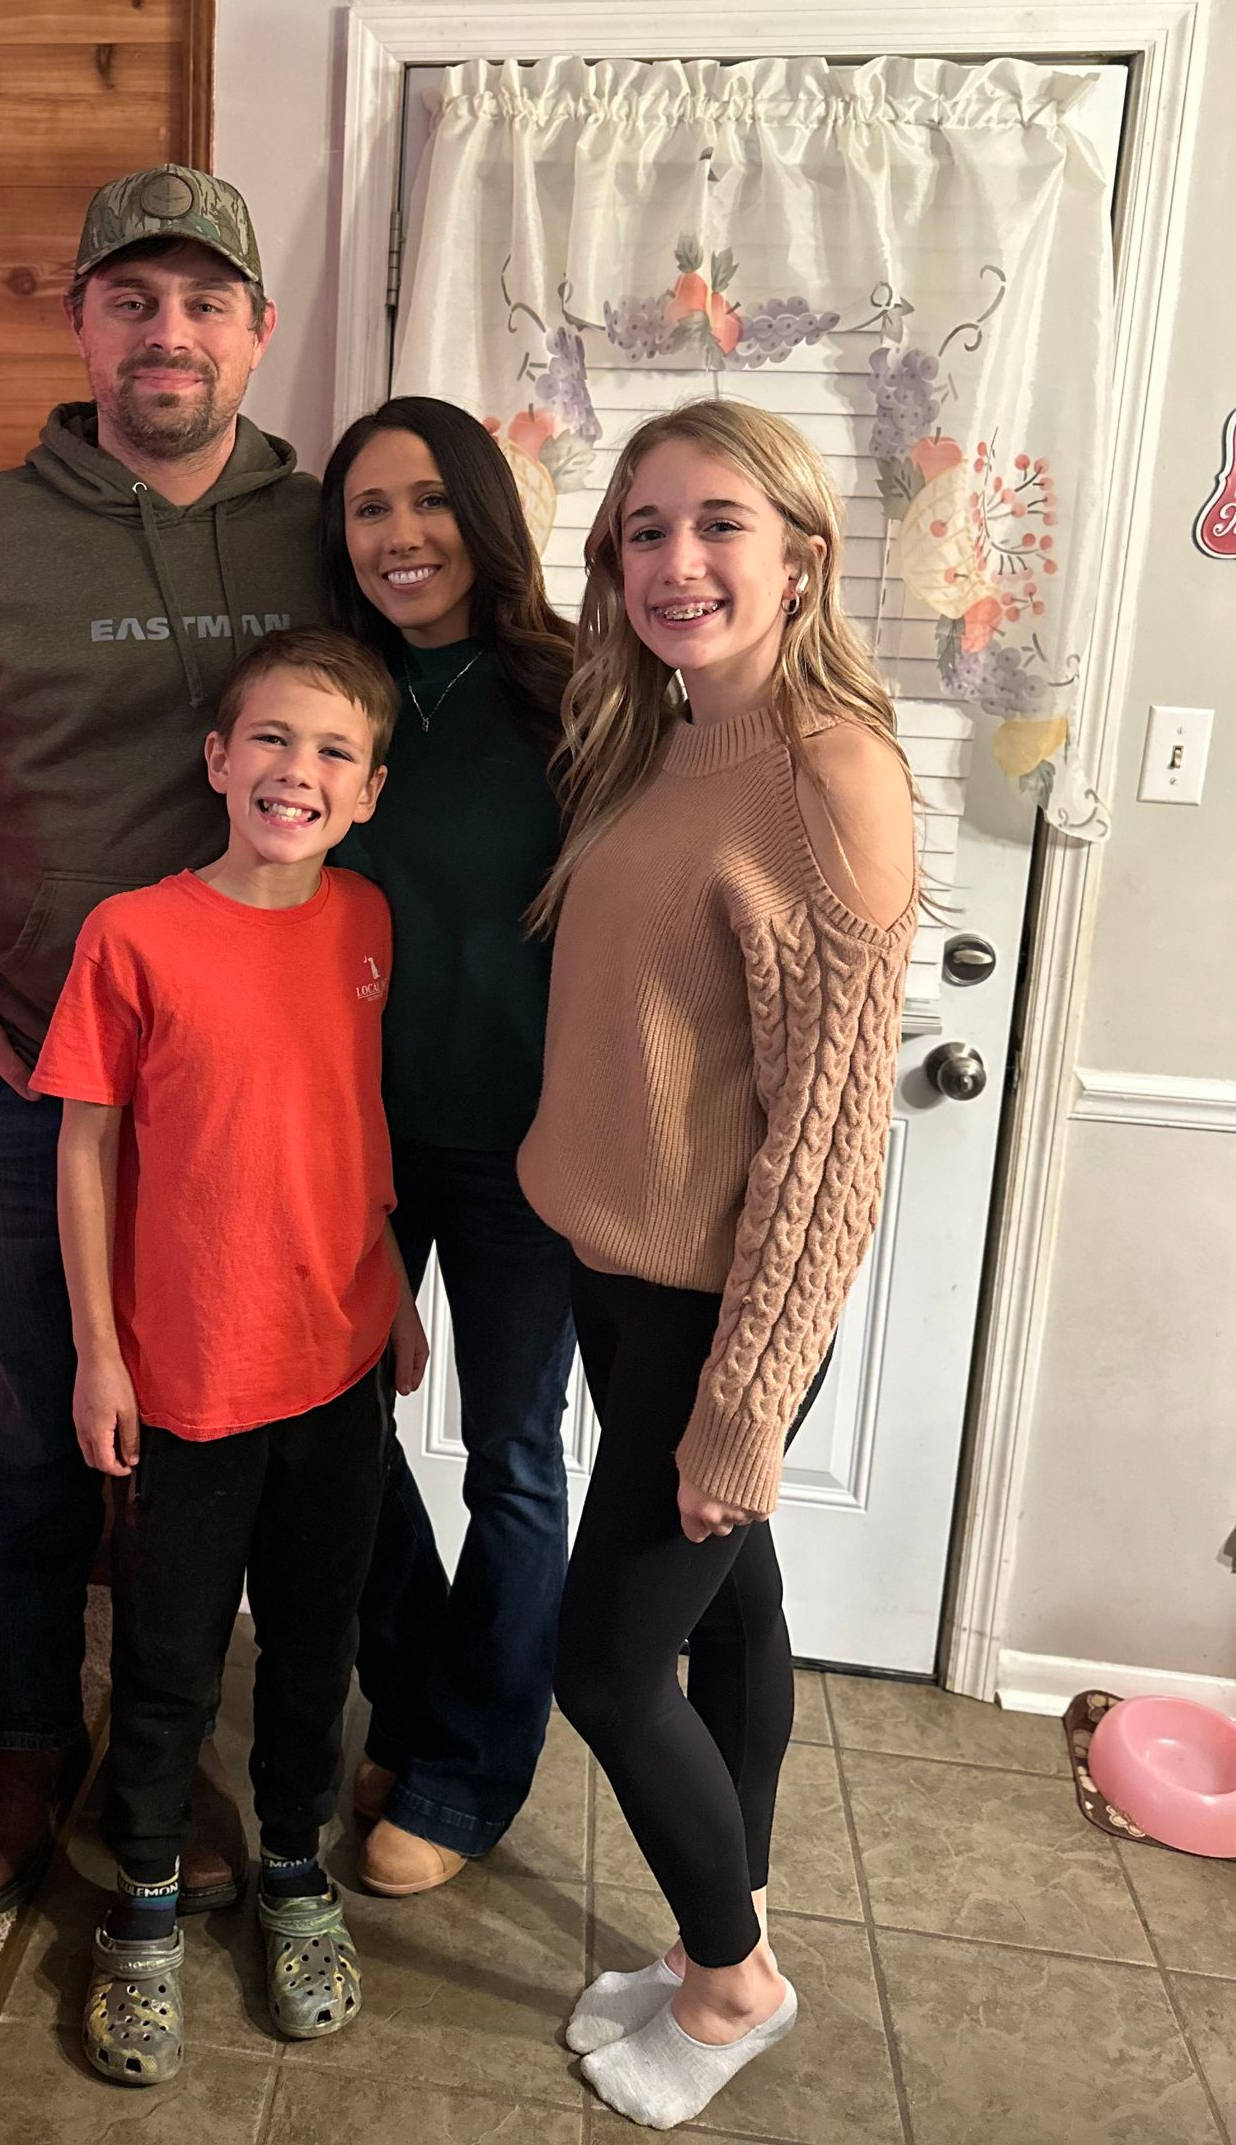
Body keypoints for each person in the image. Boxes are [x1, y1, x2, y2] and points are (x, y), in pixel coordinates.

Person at [0, 165, 328, 1920]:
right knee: (43, 1432)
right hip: (34, 1084)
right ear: (83, 326)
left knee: (213, 1441)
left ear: (260, 331)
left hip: (262, 1102)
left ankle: (169, 1747)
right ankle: (28, 1742)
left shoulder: (323, 529)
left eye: (204, 301)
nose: (167, 333)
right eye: (133, 299)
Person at [519, 401, 917, 2129]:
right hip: (624, 1278)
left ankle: (733, 1978)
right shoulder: (663, 742)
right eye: (642, 531)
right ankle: (721, 1934)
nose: (675, 563)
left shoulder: (831, 771)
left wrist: (745, 1406)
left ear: (800, 551)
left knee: (603, 1664)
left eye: (716, 525)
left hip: (720, 1309)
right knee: (733, 1605)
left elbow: (829, 1145)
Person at [32, 628, 429, 2087]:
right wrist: (99, 1355)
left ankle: (293, 1871)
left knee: (317, 1649)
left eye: (333, 752)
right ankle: (141, 1900)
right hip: (189, 1375)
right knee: (168, 1661)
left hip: (338, 1363)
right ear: (217, 759)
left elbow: (354, 1119)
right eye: (271, 739)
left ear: (371, 790)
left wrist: (390, 1287)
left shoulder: (368, 922)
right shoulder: (133, 934)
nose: (296, 772)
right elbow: (85, 1144)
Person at [318, 396, 578, 1894]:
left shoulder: (576, 693)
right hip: (351, 1138)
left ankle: (472, 1771)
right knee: (333, 1431)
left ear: (482, 514)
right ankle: (411, 1701)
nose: (401, 536)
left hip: (531, 1151)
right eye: (368, 509)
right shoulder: (328, 694)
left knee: (515, 1462)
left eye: (427, 502)